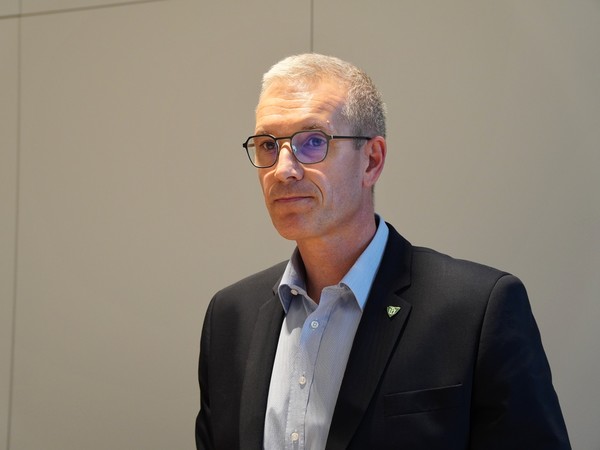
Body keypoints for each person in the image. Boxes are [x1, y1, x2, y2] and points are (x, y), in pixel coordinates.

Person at [195, 53, 570, 450]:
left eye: (313, 142)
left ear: (371, 161)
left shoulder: (476, 311)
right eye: (268, 145)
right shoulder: (230, 317)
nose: (282, 169)